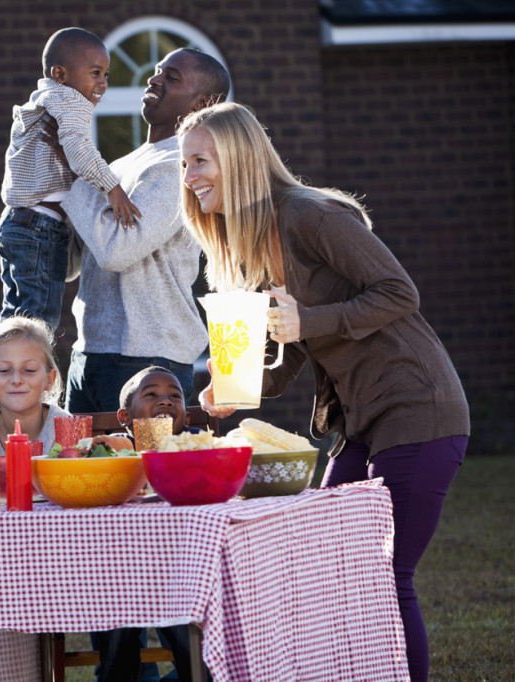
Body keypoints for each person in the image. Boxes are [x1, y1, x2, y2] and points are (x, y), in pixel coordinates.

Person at [178, 101, 470, 682]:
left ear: (238, 161)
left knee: (387, 577)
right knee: (330, 568)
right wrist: (235, 389)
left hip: (416, 407)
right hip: (358, 423)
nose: (188, 179)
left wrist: (305, 322)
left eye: (199, 162)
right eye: (183, 166)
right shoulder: (247, 243)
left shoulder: (310, 215)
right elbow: (289, 353)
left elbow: (398, 292)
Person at [60, 48, 231, 414]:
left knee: (144, 473)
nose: (154, 80)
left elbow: (116, 251)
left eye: (172, 78)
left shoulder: (180, 168)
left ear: (202, 103)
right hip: (89, 352)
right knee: (80, 472)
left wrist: (70, 177)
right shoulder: (120, 166)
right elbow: (77, 263)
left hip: (148, 358)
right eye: (156, 72)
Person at [0, 26, 140, 330]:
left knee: (14, 319)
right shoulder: (69, 100)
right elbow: (79, 149)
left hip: (17, 225)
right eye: (95, 73)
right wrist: (112, 188)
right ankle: (27, 376)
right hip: (39, 228)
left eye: (106, 75)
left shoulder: (45, 98)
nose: (103, 83)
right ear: (60, 74)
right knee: (38, 325)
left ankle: (1, 373)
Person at [92, 366, 211, 682]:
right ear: (125, 417)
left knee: (191, 645)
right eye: (151, 394)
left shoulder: (199, 447)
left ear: (186, 416)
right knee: (116, 635)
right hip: (120, 572)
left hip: (185, 573)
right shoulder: (112, 451)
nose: (166, 401)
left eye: (175, 396)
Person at [0, 316, 70, 454]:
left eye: (29, 370)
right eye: (4, 370)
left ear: (49, 379)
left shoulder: (68, 429)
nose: (16, 380)